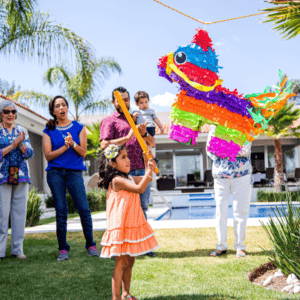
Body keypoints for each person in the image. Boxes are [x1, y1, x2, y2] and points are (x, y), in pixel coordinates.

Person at [43, 95, 99, 261]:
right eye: (57, 106)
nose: (61, 108)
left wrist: (73, 144)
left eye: (63, 105)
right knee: (61, 211)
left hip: (74, 173)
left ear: (67, 107)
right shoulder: (48, 130)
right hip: (55, 173)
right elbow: (48, 156)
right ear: (53, 111)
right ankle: (63, 249)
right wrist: (64, 147)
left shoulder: (79, 127)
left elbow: (83, 152)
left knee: (84, 209)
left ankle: (90, 245)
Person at [99, 144, 159, 300]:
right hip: (121, 226)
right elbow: (140, 188)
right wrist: (149, 170)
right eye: (123, 158)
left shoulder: (129, 177)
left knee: (130, 260)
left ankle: (126, 293)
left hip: (131, 224)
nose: (128, 161)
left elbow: (147, 179)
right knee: (121, 261)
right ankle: (116, 297)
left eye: (128, 157)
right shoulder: (117, 180)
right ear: (112, 163)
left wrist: (147, 162)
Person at [207, 125, 252, 258]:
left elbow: (245, 150)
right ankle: (221, 246)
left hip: (242, 175)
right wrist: (233, 145)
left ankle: (240, 247)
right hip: (220, 177)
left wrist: (221, 145)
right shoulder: (214, 127)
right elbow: (210, 151)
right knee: (221, 212)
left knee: (240, 211)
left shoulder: (245, 125)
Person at [0, 100, 34, 260]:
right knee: (2, 214)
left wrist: (20, 145)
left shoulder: (22, 130)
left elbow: (29, 153)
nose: (11, 115)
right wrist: (13, 145)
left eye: (13, 112)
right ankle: (0, 251)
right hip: (2, 177)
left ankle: (17, 250)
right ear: (1, 114)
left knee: (19, 214)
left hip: (21, 176)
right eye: (6, 112)